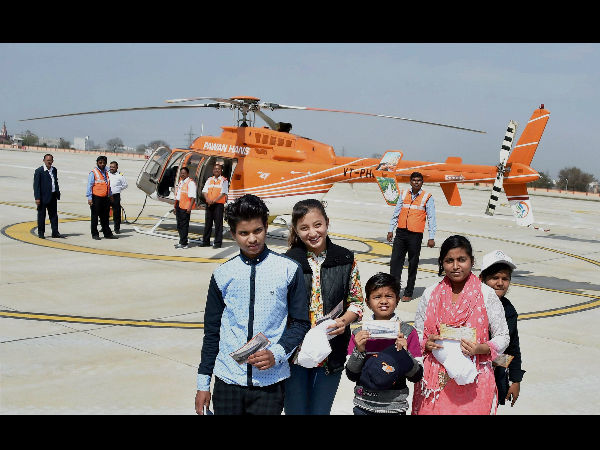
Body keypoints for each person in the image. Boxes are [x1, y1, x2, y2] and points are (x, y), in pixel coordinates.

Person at [195, 194, 310, 415]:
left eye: (258, 230)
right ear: (233, 234)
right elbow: (212, 332)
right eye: (243, 233)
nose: (252, 239)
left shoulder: (288, 269)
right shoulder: (222, 274)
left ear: (266, 226)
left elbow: (300, 323)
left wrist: (277, 353)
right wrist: (203, 383)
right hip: (228, 380)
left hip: (270, 382)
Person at [411, 235, 509, 415]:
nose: (455, 266)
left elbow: (503, 336)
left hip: (473, 380)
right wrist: (426, 343)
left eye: (461, 260)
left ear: (471, 261)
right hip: (436, 382)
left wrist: (481, 348)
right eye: (449, 261)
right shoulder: (430, 294)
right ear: (442, 263)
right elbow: (417, 334)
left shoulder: (486, 294)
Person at [284, 198, 364, 415]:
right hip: (295, 353)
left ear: (327, 223)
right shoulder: (288, 262)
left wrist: (344, 321)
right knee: (295, 411)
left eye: (317, 225)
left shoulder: (345, 259)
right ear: (296, 230)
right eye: (304, 228)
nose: (312, 233)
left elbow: (357, 302)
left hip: (331, 352)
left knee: (320, 411)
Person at [345, 272, 423, 415]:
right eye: (377, 297)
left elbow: (416, 376)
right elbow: (351, 374)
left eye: (389, 296)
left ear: (397, 300)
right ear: (367, 302)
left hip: (394, 408)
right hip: (363, 406)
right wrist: (359, 350)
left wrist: (405, 355)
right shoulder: (359, 334)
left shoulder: (407, 332)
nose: (383, 301)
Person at [479, 250, 525, 408]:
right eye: (494, 278)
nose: (500, 283)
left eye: (505, 279)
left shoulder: (509, 310)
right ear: (482, 279)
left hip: (493, 380)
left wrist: (515, 380)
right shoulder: (471, 305)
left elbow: (512, 348)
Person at [387, 171, 436, 302]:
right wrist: (391, 229)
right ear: (410, 182)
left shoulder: (427, 197)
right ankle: (394, 291)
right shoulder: (403, 194)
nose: (416, 182)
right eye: (414, 180)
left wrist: (431, 237)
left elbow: (431, 218)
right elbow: (396, 212)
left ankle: (408, 292)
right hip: (401, 233)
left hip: (415, 235)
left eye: (418, 180)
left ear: (422, 182)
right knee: (395, 263)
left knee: (412, 264)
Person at [33, 154, 64, 239]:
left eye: (50, 160)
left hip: (53, 196)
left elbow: (55, 182)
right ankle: (41, 233)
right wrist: (37, 198)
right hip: (43, 197)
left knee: (54, 215)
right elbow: (36, 186)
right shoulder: (39, 171)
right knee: (41, 216)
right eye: (47, 160)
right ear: (44, 161)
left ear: (52, 161)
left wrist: (57, 192)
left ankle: (55, 232)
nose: (49, 162)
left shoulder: (54, 170)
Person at [86, 156, 117, 240]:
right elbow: (89, 185)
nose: (102, 164)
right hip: (96, 198)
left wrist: (110, 195)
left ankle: (107, 234)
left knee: (105, 217)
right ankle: (95, 234)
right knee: (95, 217)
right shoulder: (93, 172)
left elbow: (107, 185)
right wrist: (89, 197)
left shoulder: (106, 173)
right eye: (100, 162)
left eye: (104, 163)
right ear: (97, 163)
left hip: (105, 198)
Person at [201, 163, 228, 249]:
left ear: (221, 170)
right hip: (209, 204)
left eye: (218, 169)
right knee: (208, 223)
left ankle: (217, 243)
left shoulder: (224, 180)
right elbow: (204, 191)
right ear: (213, 170)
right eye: (215, 169)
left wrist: (214, 201)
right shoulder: (209, 180)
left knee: (218, 225)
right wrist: (207, 199)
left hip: (218, 205)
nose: (217, 170)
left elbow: (223, 193)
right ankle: (206, 241)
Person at [173, 167, 196, 249]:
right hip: (179, 205)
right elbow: (178, 195)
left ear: (188, 174)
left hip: (185, 207)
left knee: (184, 225)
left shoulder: (190, 183)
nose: (182, 174)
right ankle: (181, 241)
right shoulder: (181, 182)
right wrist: (175, 207)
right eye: (181, 173)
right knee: (179, 225)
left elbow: (193, 197)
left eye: (184, 173)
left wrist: (189, 208)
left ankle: (184, 243)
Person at [107, 161, 128, 234]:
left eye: (113, 167)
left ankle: (117, 228)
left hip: (115, 195)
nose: (111, 168)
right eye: (110, 167)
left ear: (117, 167)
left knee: (116, 213)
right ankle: (104, 227)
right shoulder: (106, 174)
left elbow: (125, 185)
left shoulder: (120, 176)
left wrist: (118, 189)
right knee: (105, 212)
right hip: (107, 195)